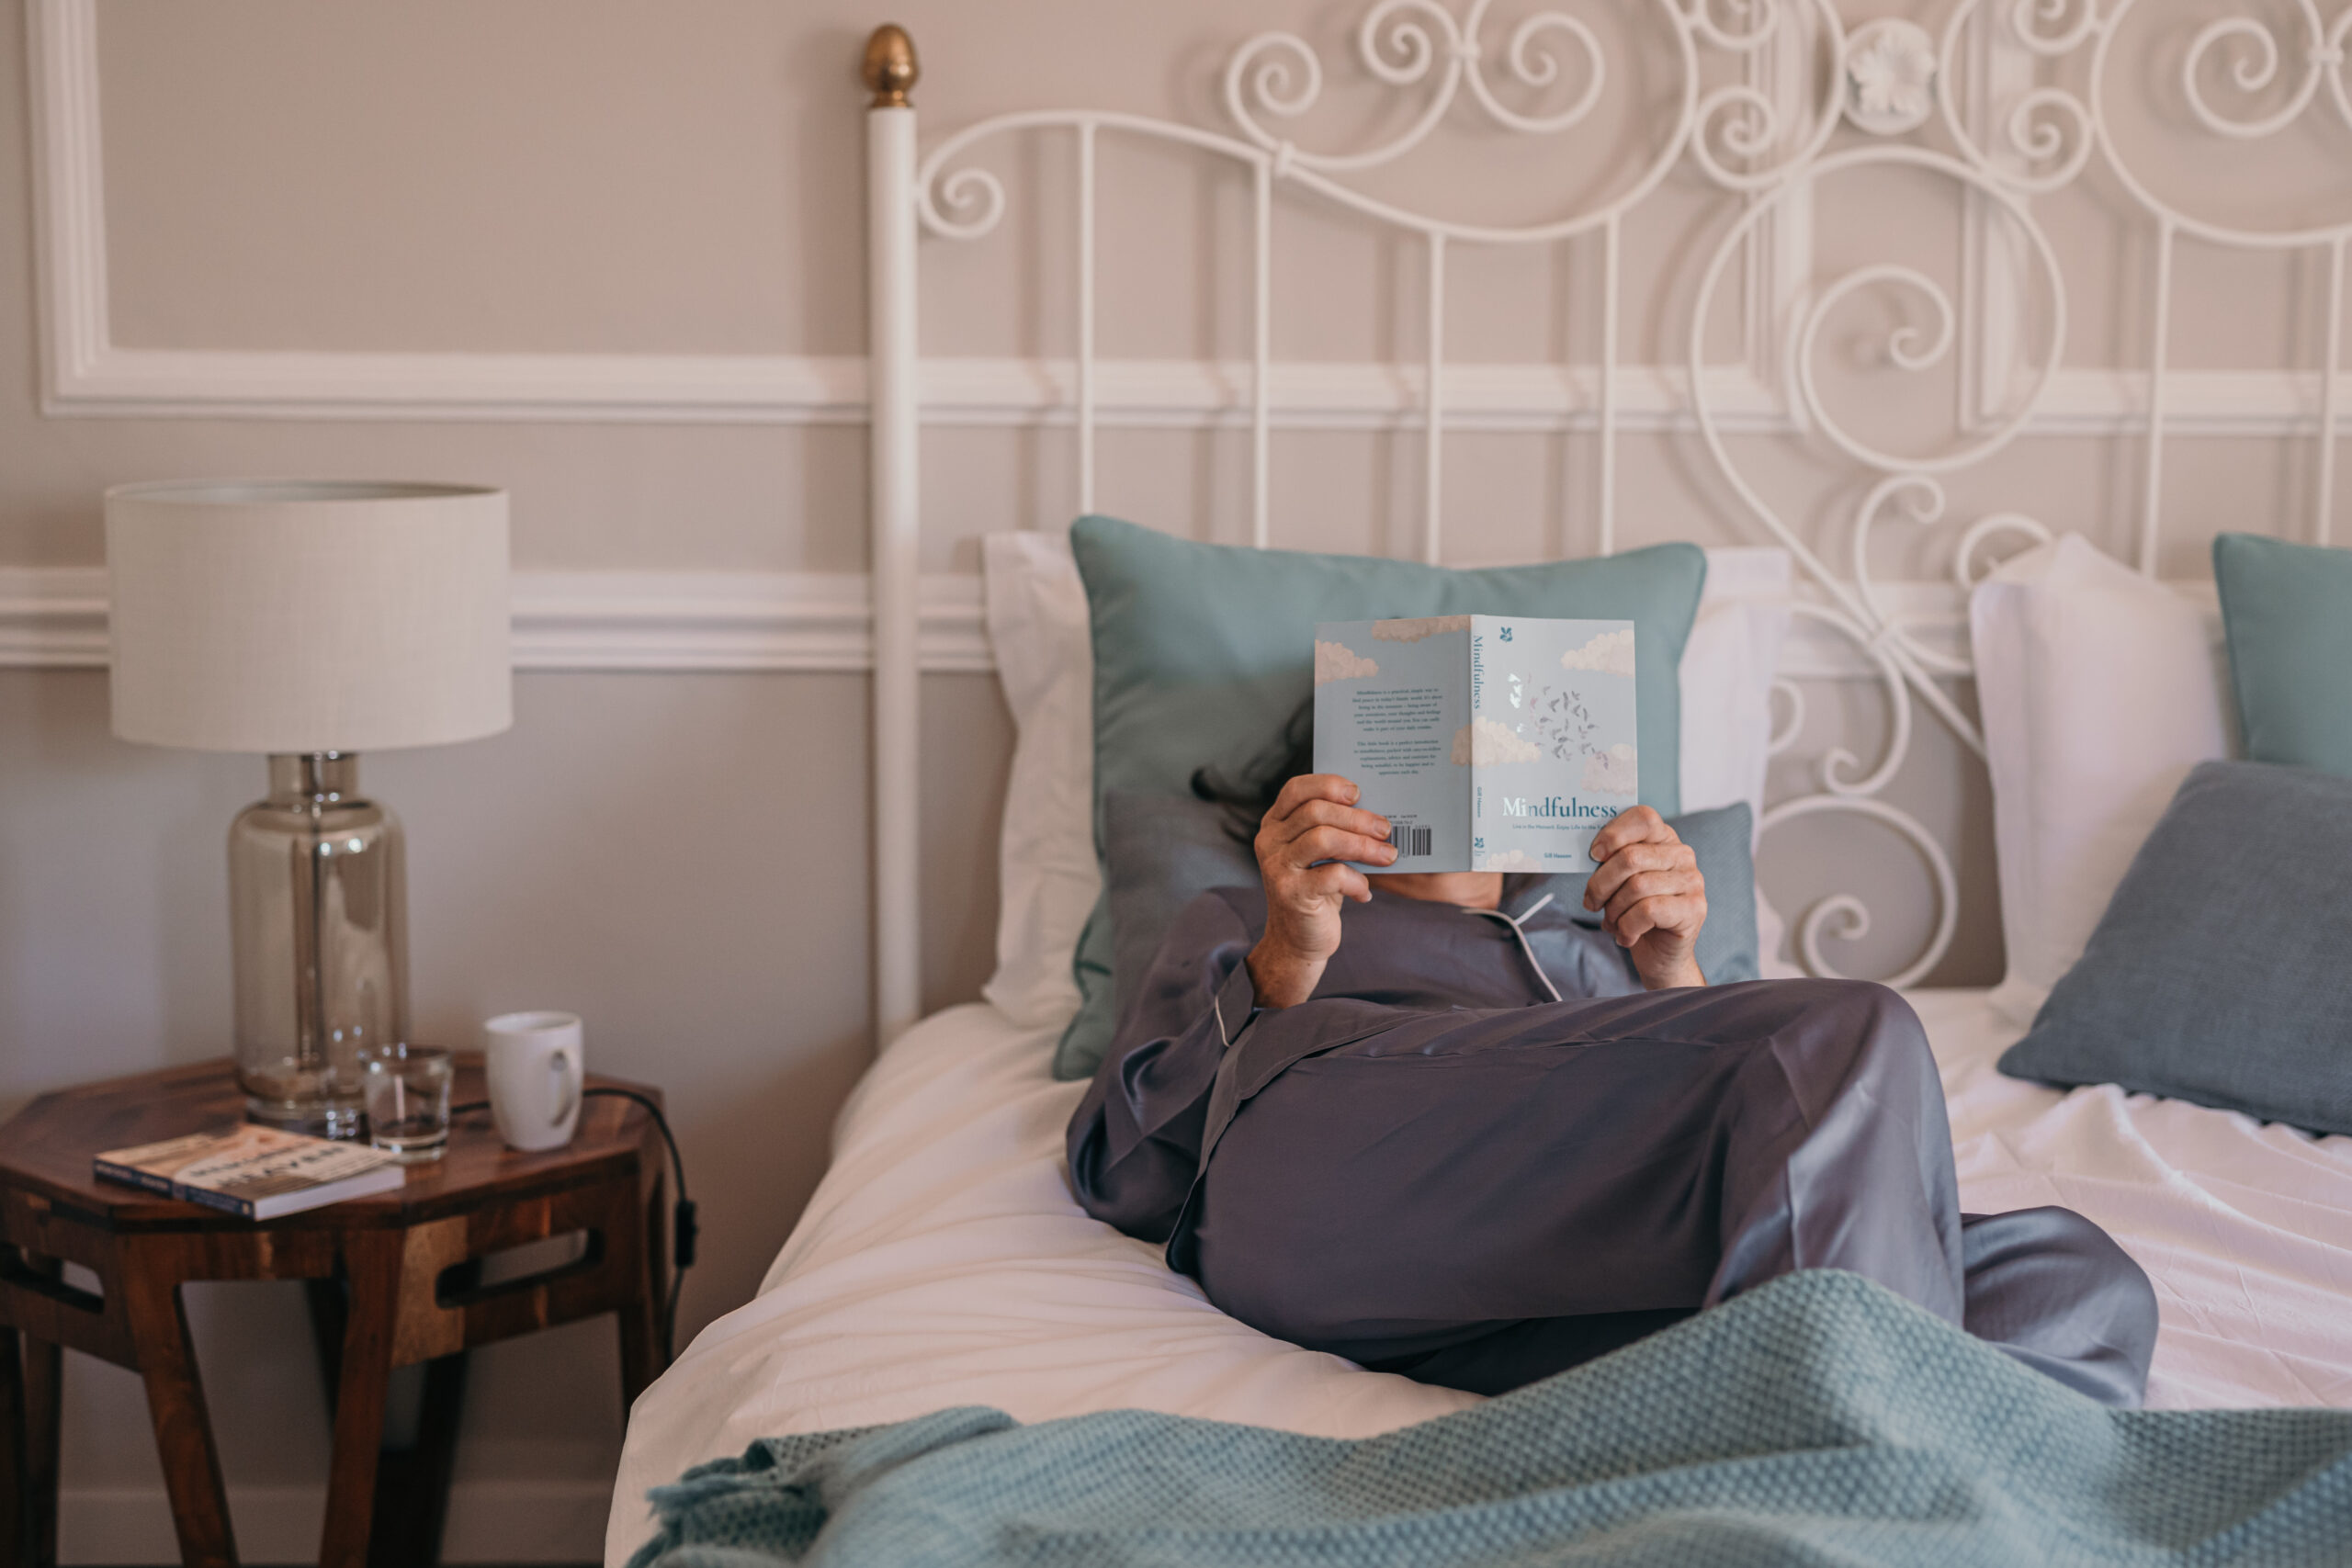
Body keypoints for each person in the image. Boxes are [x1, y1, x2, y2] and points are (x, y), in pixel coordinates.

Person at [1066, 712, 2159, 1404]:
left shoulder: (1596, 945)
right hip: (1336, 1173)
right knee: (1849, 1027)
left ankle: (1763, 1429)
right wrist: (1287, 954)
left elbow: (1772, 1136)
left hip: (1535, 1292)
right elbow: (1122, 1173)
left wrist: (1671, 974)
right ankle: (1863, 1487)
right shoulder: (1245, 919)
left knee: (2079, 1285)